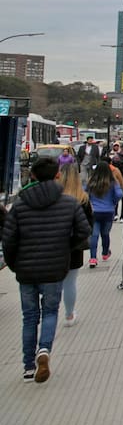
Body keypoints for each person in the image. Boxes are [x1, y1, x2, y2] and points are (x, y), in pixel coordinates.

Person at [2, 157, 91, 382]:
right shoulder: (68, 203)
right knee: (50, 312)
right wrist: (64, 249)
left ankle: (28, 366)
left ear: (32, 176)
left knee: (29, 316)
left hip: (26, 270)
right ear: (57, 176)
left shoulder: (20, 205)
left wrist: (14, 264)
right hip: (54, 268)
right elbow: (83, 231)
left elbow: (9, 240)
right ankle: (44, 350)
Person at [57, 163, 93, 325]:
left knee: (54, 282)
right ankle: (69, 314)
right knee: (70, 282)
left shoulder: (54, 198)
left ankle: (49, 312)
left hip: (55, 245)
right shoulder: (83, 198)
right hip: (75, 246)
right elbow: (88, 224)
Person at [86, 159, 123, 267]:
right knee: (105, 233)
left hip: (95, 212)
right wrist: (114, 202)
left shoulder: (91, 182)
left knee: (94, 235)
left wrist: (90, 203)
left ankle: (93, 258)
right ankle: (105, 253)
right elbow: (119, 194)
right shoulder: (112, 182)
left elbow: (85, 193)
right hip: (108, 211)